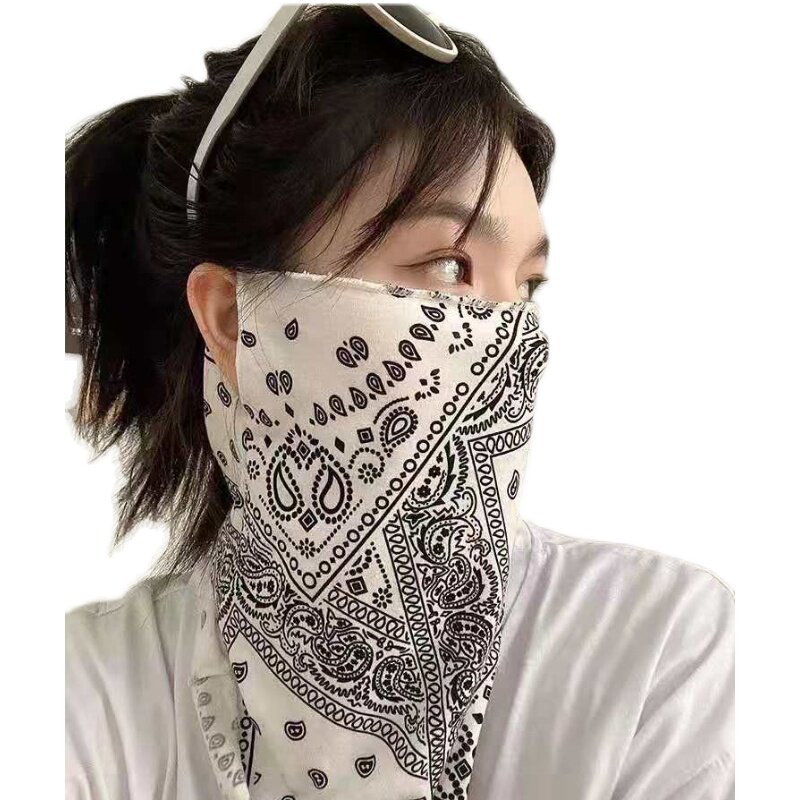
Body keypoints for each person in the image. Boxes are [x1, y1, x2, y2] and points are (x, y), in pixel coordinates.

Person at [65, 5, 734, 799]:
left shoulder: (655, 651)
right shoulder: (89, 694)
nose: (510, 337)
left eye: (526, 285)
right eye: (450, 267)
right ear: (235, 318)